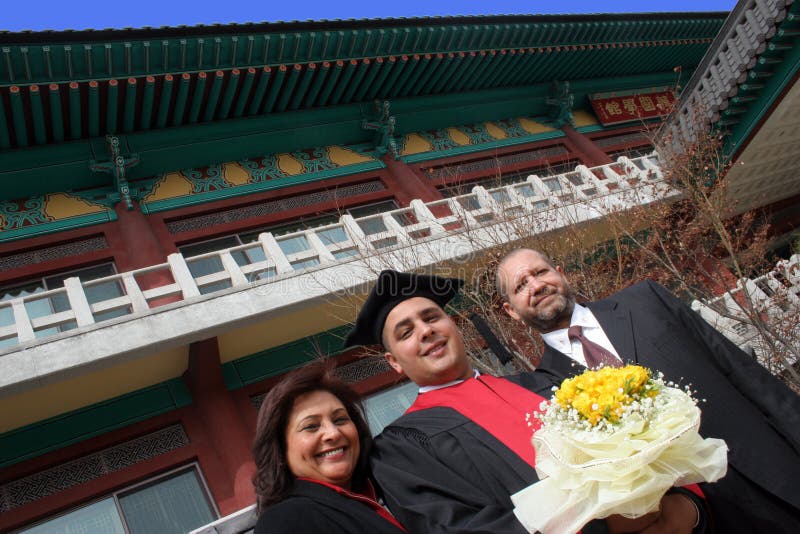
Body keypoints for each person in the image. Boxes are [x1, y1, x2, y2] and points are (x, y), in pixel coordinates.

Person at [344, 269, 705, 534]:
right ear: (394, 362)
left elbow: (647, 450)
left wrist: (689, 508)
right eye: (405, 333)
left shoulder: (548, 386)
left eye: (431, 317)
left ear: (453, 326)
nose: (425, 331)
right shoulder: (399, 450)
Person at [496, 247, 800, 534]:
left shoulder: (646, 300)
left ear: (561, 273)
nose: (536, 285)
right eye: (521, 285)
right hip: (708, 516)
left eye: (541, 272)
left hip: (772, 469)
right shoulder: (550, 391)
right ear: (511, 310)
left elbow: (740, 371)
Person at [251, 361, 406, 534]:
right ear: (280, 449)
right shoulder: (284, 521)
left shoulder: (381, 492)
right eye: (311, 426)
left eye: (340, 420)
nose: (333, 433)